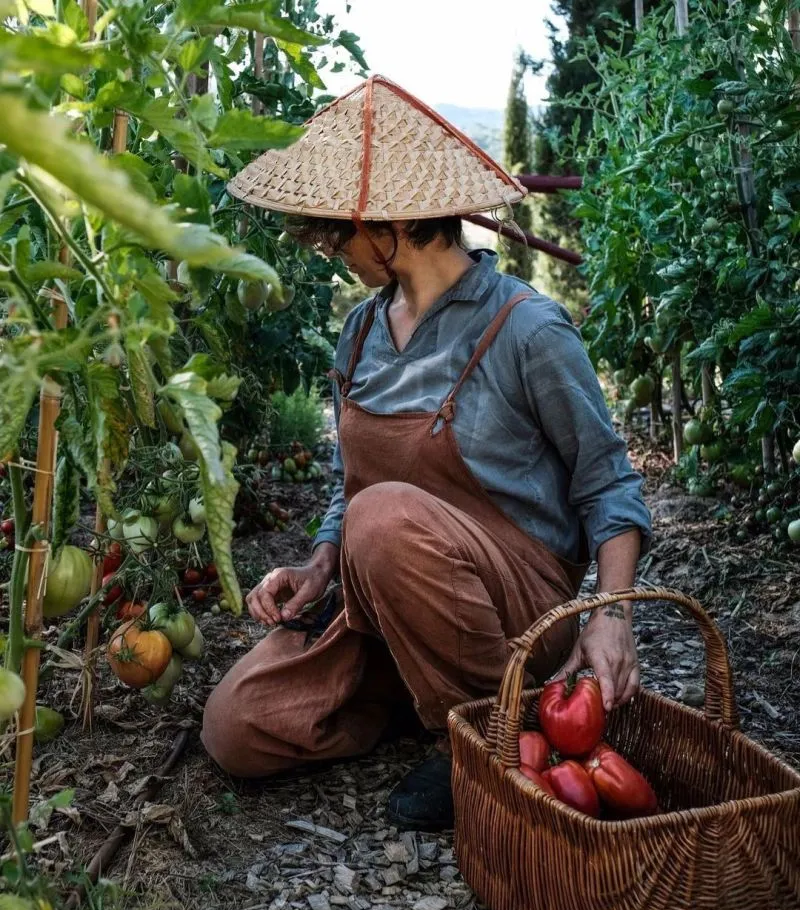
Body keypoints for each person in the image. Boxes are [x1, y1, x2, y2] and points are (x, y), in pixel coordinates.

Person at [202, 75, 652, 830]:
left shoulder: (526, 329)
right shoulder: (363, 334)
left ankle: (490, 732)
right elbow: (354, 490)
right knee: (238, 725)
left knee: (382, 522)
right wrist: (318, 565)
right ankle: (425, 700)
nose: (332, 253)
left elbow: (609, 484)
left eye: (337, 235)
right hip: (391, 596)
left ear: (393, 226)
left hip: (513, 606)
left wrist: (611, 615)